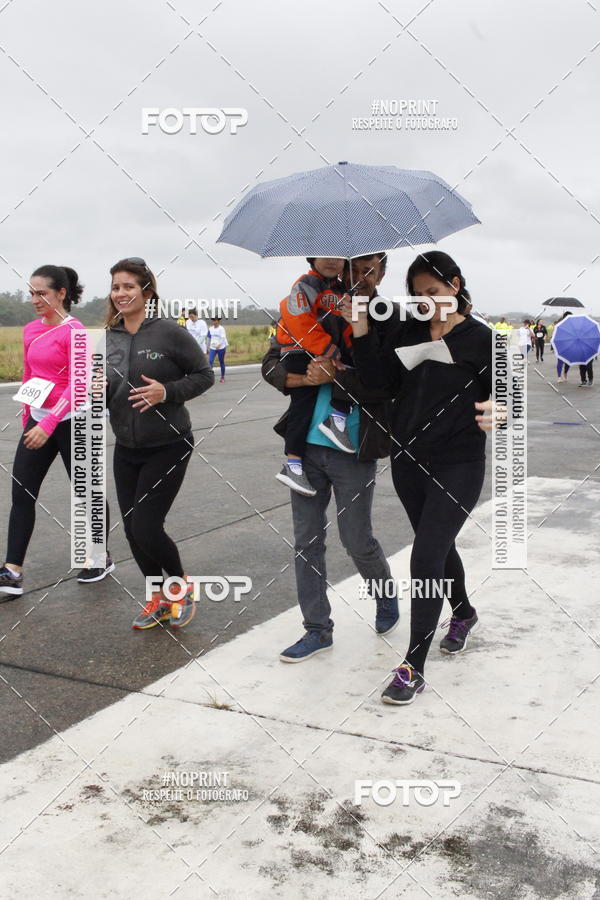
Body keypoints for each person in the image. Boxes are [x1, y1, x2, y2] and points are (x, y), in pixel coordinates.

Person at [348, 250, 492, 706]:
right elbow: (377, 383)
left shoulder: (482, 339)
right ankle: (463, 612)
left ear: (455, 285)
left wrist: (501, 410)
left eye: (433, 291)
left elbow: (510, 396)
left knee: (425, 556)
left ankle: (413, 666)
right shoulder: (408, 331)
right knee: (438, 547)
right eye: (417, 295)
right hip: (409, 460)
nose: (425, 301)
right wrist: (360, 329)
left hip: (459, 463)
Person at [262, 253, 401, 661]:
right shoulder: (314, 300)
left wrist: (336, 372)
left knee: (356, 538)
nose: (361, 275)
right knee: (307, 542)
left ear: (382, 273)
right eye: (354, 267)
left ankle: (385, 594)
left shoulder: (388, 317)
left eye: (370, 268)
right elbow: (271, 362)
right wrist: (302, 377)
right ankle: (317, 629)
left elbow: (385, 383)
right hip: (305, 446)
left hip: (353, 448)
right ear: (343, 268)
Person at [104, 258, 214, 630]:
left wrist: (166, 391)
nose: (121, 293)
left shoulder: (169, 333)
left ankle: (180, 587)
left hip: (169, 443)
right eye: (116, 287)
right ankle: (158, 597)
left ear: (147, 292)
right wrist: (94, 391)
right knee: (132, 529)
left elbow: (203, 375)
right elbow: (105, 390)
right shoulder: (109, 337)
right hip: (126, 447)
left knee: (147, 526)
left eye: (128, 286)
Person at [0, 265, 114, 600]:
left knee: (87, 492)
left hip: (73, 421)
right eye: (31, 293)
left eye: (42, 293)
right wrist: (28, 418)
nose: (34, 299)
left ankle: (100, 557)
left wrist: (48, 424)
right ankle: (12, 571)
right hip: (38, 421)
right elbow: (29, 375)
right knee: (22, 493)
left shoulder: (75, 331)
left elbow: (78, 385)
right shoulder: (31, 329)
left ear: (61, 294)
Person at [275, 258, 356, 498]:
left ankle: (336, 418)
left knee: (350, 368)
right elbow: (300, 320)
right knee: (302, 404)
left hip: (322, 349)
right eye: (324, 255)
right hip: (299, 350)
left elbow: (346, 327)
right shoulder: (306, 284)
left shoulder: (341, 291)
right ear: (311, 258)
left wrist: (351, 346)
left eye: (337, 256)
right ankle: (293, 464)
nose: (331, 261)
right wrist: (328, 348)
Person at [207, 317, 228, 382]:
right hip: (213, 347)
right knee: (210, 361)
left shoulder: (221, 329)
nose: (213, 322)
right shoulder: (210, 328)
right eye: (213, 320)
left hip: (221, 347)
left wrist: (219, 345)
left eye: (215, 320)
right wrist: (207, 346)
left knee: (221, 362)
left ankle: (222, 377)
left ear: (218, 321)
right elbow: (208, 338)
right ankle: (210, 377)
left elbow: (223, 338)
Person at [555, 311, 572, 383]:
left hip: (570, 344)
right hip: (561, 344)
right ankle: (559, 376)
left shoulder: (572, 324)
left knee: (568, 361)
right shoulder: (560, 322)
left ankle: (565, 373)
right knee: (560, 361)